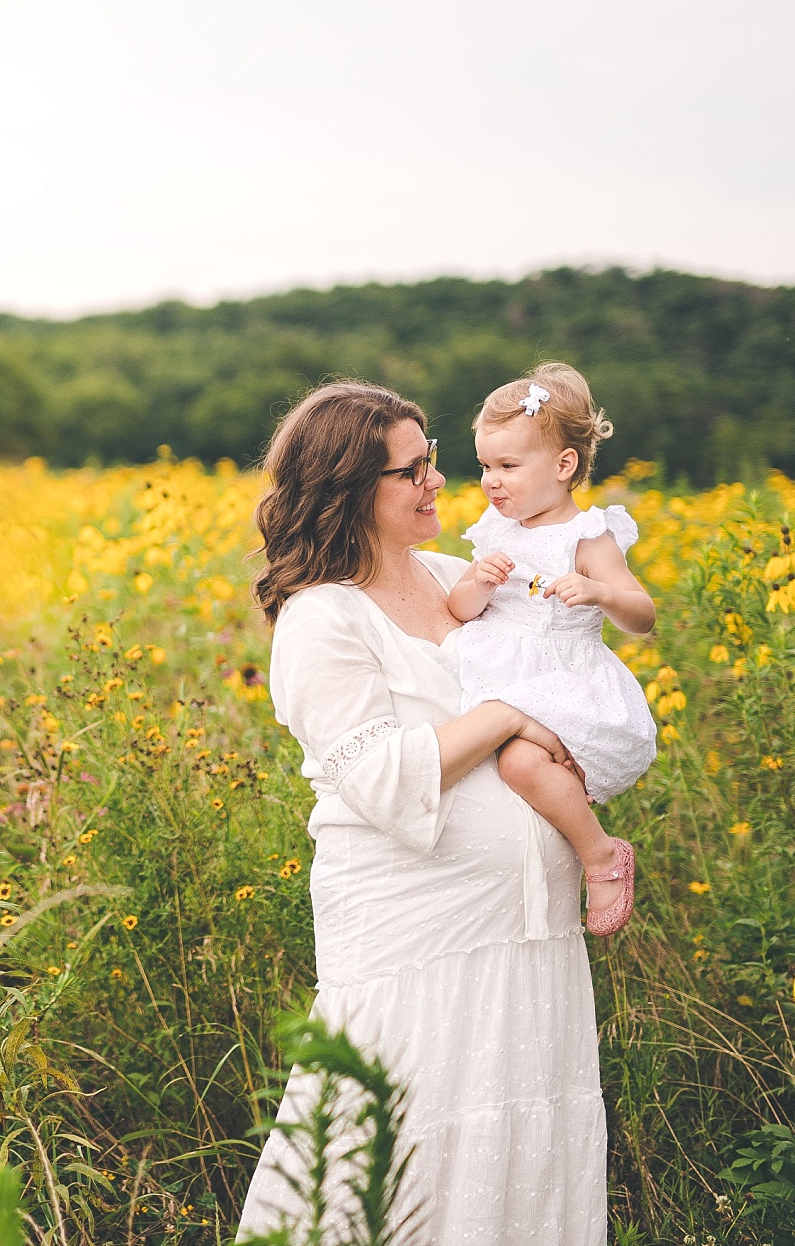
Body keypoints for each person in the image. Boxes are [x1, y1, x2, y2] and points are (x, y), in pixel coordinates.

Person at [235, 381, 605, 1244]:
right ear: (350, 489)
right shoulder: (320, 619)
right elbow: (383, 776)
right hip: (416, 942)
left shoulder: (454, 579)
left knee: (522, 1138)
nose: (439, 481)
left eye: (434, 458)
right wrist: (510, 713)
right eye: (414, 469)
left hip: (526, 934)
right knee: (392, 1150)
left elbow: (567, 680)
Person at [446, 362, 657, 936]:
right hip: (498, 675)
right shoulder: (494, 530)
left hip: (564, 679)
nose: (491, 480)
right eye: (485, 465)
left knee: (518, 762)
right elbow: (461, 609)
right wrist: (479, 583)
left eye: (509, 466)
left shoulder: (587, 536)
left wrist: (598, 591)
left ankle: (603, 856)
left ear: (564, 466)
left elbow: (643, 616)